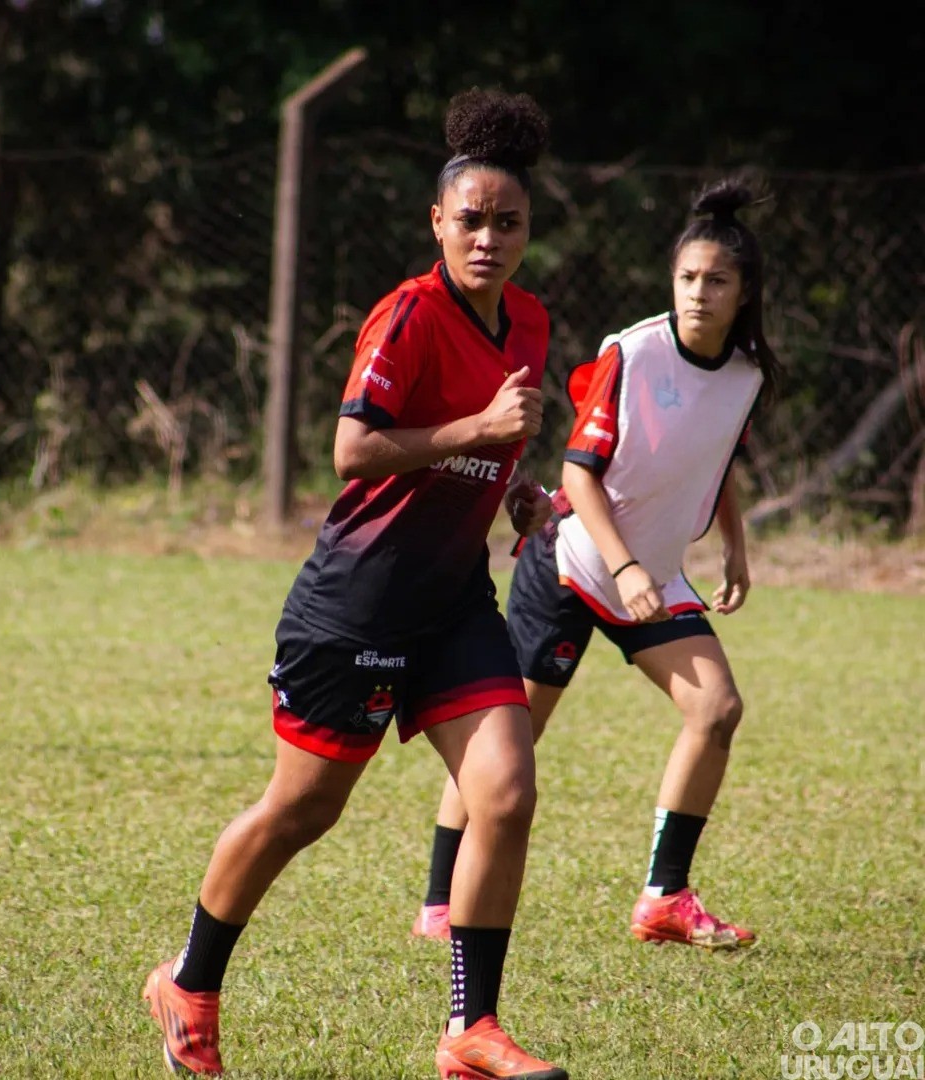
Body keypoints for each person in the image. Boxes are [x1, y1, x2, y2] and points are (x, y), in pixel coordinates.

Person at [142, 87, 570, 1080]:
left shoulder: (533, 324)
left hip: (454, 600)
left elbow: (495, 441)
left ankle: (471, 1030)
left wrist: (518, 494)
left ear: (528, 230)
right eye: (471, 219)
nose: (489, 238)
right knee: (304, 811)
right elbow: (352, 449)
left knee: (505, 790)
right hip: (358, 602)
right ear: (438, 221)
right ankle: (190, 983)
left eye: (509, 223)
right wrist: (477, 437)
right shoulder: (409, 315)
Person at [412, 177, 783, 952]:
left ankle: (664, 898)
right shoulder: (634, 351)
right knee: (506, 742)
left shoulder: (748, 376)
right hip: (573, 561)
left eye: (717, 280)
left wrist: (735, 545)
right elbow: (578, 474)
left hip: (648, 574)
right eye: (687, 278)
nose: (698, 293)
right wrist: (626, 571)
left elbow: (719, 461)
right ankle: (440, 901)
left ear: (745, 293)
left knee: (717, 710)